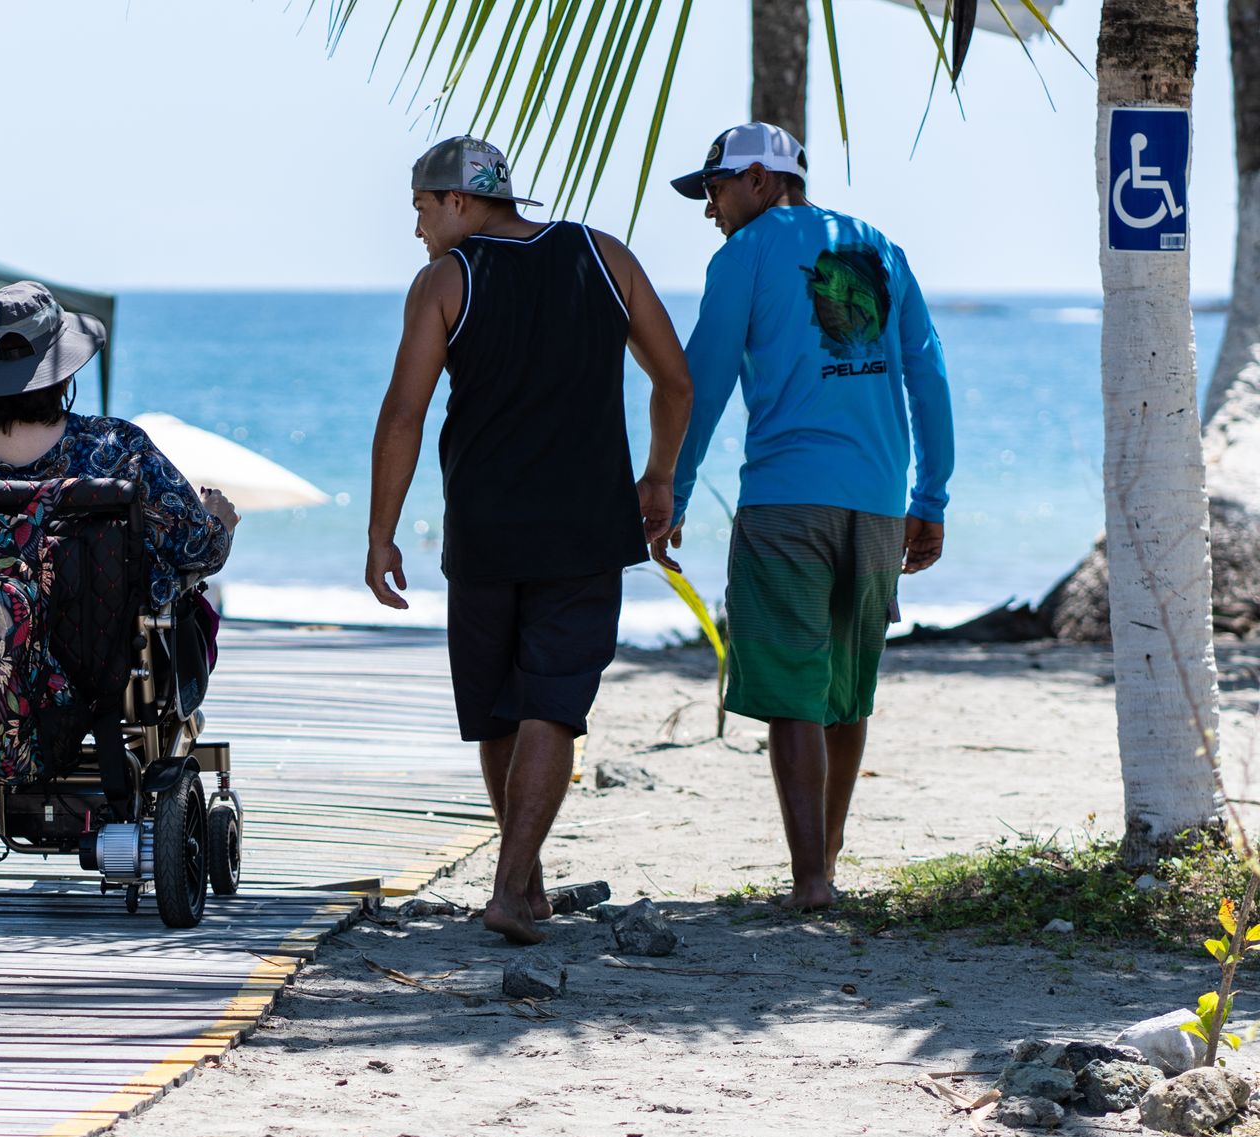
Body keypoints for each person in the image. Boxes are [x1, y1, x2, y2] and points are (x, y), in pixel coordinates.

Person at [365, 136, 695, 946]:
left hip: (485, 530)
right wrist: (658, 477)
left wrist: (381, 533)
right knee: (551, 702)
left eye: (419, 208)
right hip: (587, 527)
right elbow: (675, 380)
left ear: (457, 201)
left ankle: (515, 884)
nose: (416, 228)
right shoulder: (604, 255)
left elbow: (402, 414)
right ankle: (524, 882)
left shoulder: (448, 279)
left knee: (500, 710)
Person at [664, 123, 955, 911]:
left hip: (786, 500)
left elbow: (702, 382)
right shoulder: (880, 248)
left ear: (762, 180)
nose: (711, 208)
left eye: (717, 188)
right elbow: (928, 374)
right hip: (875, 503)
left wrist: (671, 490)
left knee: (797, 687)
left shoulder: (742, 257)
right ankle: (824, 862)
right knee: (847, 688)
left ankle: (811, 879)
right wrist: (929, 498)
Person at [0, 280, 236, 617]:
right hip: (98, 667)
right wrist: (218, 520)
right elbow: (198, 549)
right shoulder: (118, 449)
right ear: (64, 370)